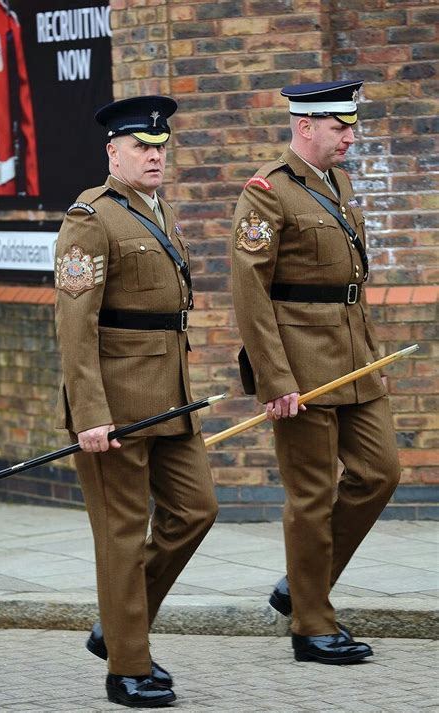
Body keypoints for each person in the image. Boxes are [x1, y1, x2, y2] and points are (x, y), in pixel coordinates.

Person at [54, 95, 218, 707]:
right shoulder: (91, 218)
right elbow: (76, 325)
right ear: (112, 153)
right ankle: (128, 666)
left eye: (159, 147)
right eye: (141, 148)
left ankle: (117, 623)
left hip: (170, 398)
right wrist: (89, 414)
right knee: (123, 533)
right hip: (116, 407)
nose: (153, 156)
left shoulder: (158, 212)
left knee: (196, 510)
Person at [231, 80, 400, 665]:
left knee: (380, 473)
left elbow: (349, 281)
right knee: (311, 494)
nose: (349, 137)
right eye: (339, 127)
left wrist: (370, 350)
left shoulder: (338, 181)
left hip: (355, 357)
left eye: (350, 126)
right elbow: (251, 294)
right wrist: (274, 380)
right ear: (306, 126)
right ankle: (311, 624)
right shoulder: (266, 192)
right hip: (302, 370)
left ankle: (300, 585)